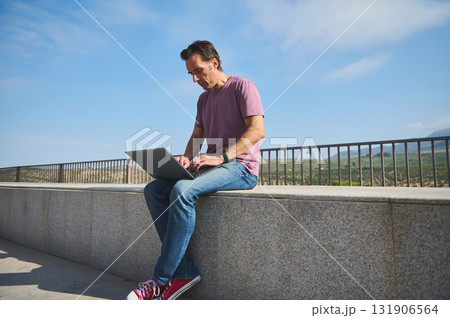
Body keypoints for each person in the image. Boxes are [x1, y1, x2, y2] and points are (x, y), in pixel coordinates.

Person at [126, 40, 265, 300]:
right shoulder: (203, 100)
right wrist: (186, 159)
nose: (195, 79)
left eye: (198, 71)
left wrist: (221, 157)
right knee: (155, 189)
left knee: (182, 190)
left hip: (241, 167)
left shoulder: (243, 87)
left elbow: (257, 131)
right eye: (191, 74)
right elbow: (196, 136)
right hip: (212, 166)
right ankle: (184, 271)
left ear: (214, 62)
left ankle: (160, 280)